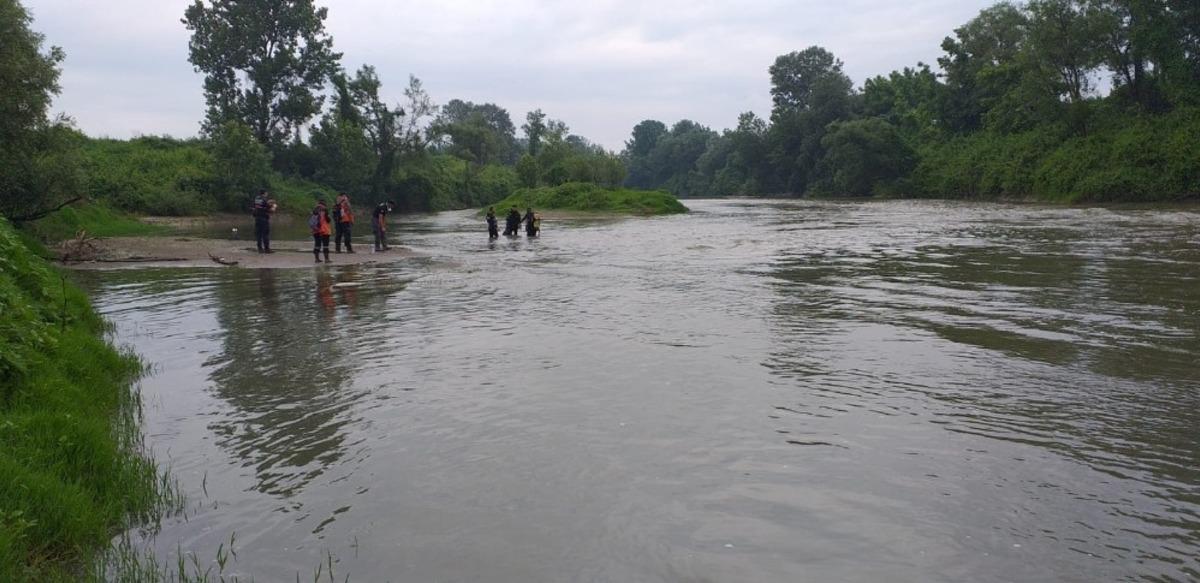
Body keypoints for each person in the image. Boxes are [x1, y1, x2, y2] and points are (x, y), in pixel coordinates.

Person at [251, 189, 275, 253]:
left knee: (259, 234)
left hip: (257, 218)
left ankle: (260, 249)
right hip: (264, 218)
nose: (267, 194)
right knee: (265, 234)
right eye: (266, 193)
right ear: (264, 193)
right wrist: (274, 206)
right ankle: (267, 249)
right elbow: (269, 208)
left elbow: (254, 207)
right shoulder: (264, 200)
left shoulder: (256, 199)